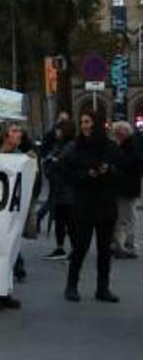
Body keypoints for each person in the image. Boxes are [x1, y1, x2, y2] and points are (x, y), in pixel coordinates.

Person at [63, 111, 122, 303]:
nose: (85, 126)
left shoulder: (110, 147)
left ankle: (102, 288)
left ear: (96, 123)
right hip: (84, 204)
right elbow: (68, 175)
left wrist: (109, 171)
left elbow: (123, 171)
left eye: (88, 122)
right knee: (80, 247)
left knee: (104, 250)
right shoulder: (75, 148)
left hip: (106, 204)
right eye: (82, 122)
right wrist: (88, 174)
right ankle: (71, 286)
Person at [0, 124, 27, 312]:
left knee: (9, 252)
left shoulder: (20, 157)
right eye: (15, 131)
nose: (19, 134)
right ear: (6, 135)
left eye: (20, 131)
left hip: (9, 212)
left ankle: (4, 292)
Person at [42, 119, 76, 260]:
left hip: (67, 190)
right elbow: (50, 162)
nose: (57, 132)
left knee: (69, 221)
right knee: (60, 220)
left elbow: (59, 163)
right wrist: (52, 162)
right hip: (59, 189)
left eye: (59, 129)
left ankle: (75, 248)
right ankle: (60, 247)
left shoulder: (70, 146)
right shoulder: (59, 145)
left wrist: (53, 161)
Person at [111, 121, 140, 259]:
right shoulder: (130, 144)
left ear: (125, 132)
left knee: (125, 217)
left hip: (126, 186)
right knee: (126, 216)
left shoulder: (130, 146)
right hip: (127, 186)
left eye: (118, 133)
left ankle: (126, 246)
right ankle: (123, 244)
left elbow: (129, 164)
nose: (117, 136)